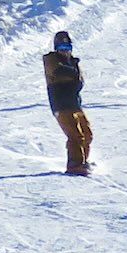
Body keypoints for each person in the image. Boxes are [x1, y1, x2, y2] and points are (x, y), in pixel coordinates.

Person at [43, 30, 92, 174]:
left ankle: (83, 161)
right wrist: (73, 73)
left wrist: (74, 73)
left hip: (74, 103)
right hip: (61, 105)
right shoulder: (51, 60)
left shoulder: (73, 62)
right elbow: (60, 72)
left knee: (87, 134)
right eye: (62, 49)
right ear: (56, 49)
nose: (65, 52)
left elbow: (80, 81)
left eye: (68, 49)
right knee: (75, 135)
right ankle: (74, 164)